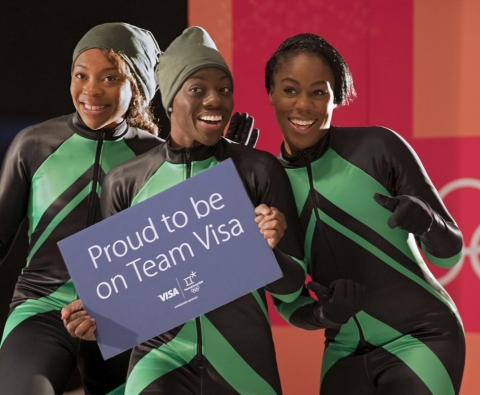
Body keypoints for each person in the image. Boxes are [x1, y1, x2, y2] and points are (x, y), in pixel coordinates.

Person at [63, 26, 306, 395]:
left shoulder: (259, 169)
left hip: (244, 362)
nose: (215, 100)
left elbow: (291, 289)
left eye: (225, 90)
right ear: (171, 99)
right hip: (156, 359)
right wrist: (94, 316)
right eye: (198, 89)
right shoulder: (125, 181)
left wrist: (266, 250)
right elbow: (121, 304)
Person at [265, 33, 465, 395]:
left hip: (423, 336)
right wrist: (326, 316)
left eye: (319, 92)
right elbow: (288, 302)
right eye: (290, 90)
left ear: (336, 96)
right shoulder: (268, 184)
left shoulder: (379, 147)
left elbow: (450, 253)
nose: (303, 106)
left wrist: (426, 222)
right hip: (343, 352)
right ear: (271, 94)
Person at [0, 22, 163, 394]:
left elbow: (179, 257)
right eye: (81, 75)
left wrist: (214, 179)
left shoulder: (159, 157)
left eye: (109, 78)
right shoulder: (34, 144)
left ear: (136, 86)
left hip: (122, 318)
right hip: (41, 309)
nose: (91, 90)